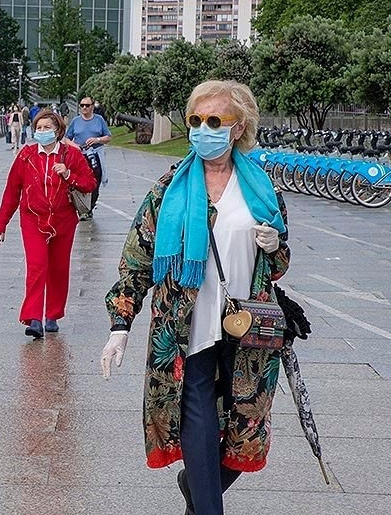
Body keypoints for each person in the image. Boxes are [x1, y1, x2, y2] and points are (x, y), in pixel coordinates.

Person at [100, 80, 290, 515]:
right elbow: (137, 256)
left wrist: (273, 243)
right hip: (186, 330)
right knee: (198, 425)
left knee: (247, 427)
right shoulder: (170, 189)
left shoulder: (261, 188)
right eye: (196, 120)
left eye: (214, 120)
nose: (204, 129)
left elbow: (280, 265)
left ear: (238, 126)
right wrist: (119, 325)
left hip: (249, 330)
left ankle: (197, 485)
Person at [0, 111, 97, 339]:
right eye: (38, 128)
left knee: (59, 269)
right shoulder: (26, 155)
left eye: (47, 127)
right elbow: (12, 191)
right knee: (37, 267)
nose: (42, 132)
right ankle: (34, 319)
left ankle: (53, 315)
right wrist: (1, 224)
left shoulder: (71, 155)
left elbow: (90, 183)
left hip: (63, 221)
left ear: (58, 130)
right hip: (33, 220)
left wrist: (68, 174)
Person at [66, 96, 112, 219]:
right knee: (79, 181)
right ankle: (81, 207)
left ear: (92, 106)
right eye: (82, 105)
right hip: (80, 155)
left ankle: (90, 206)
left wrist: (97, 139)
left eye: (87, 105)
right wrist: (75, 146)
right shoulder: (75, 121)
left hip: (95, 155)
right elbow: (66, 138)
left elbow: (108, 137)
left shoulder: (99, 120)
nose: (84, 108)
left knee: (95, 182)